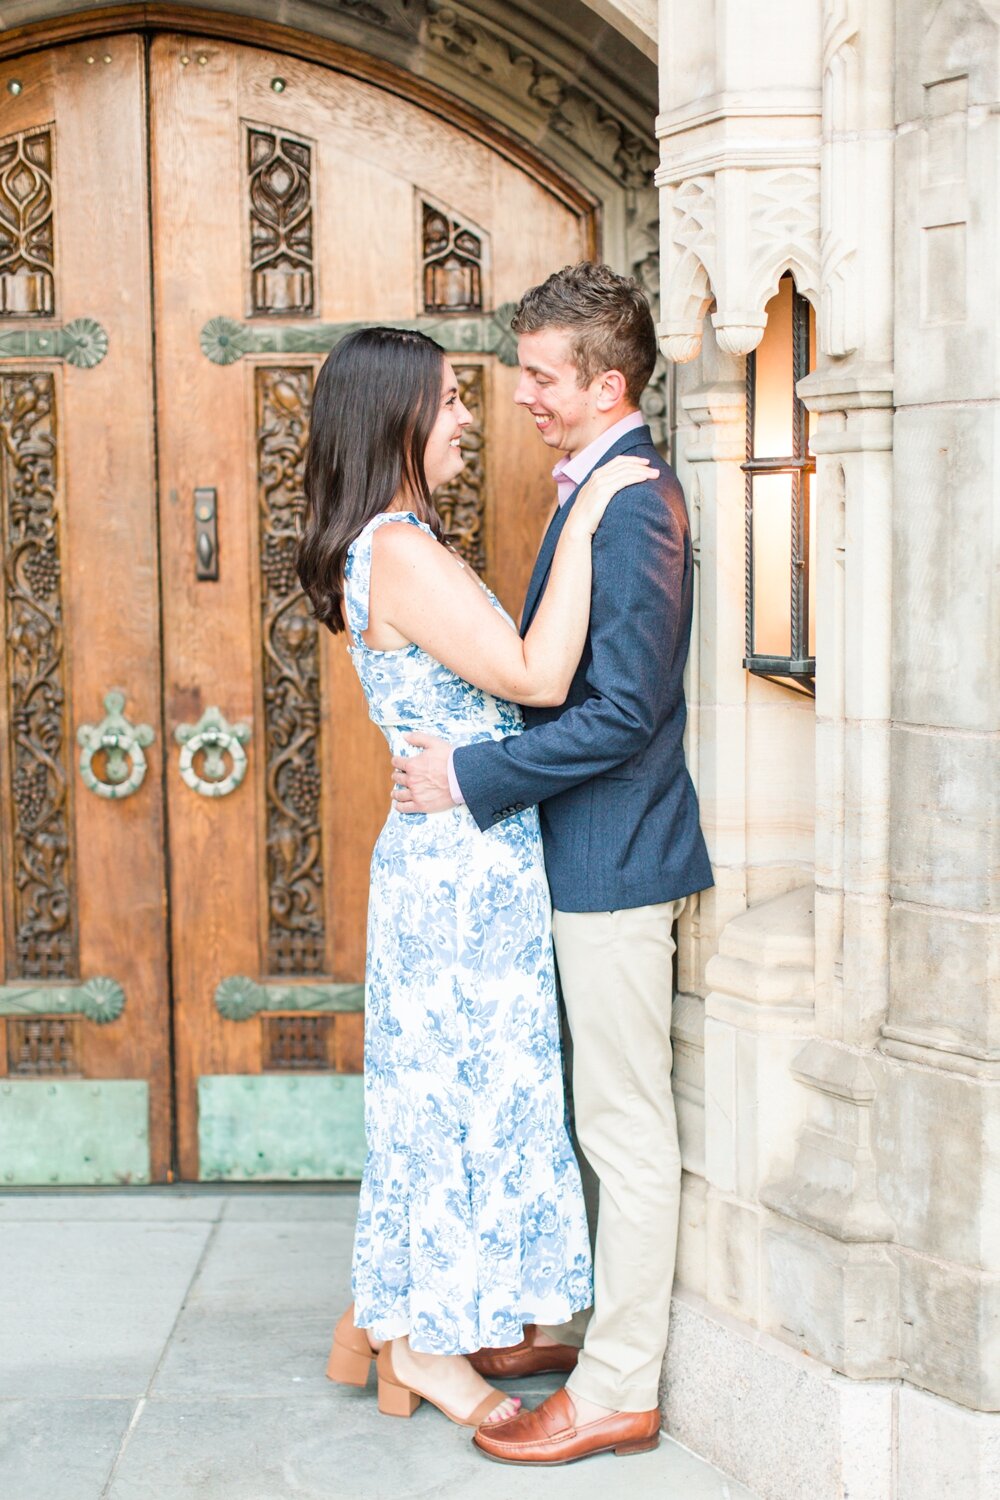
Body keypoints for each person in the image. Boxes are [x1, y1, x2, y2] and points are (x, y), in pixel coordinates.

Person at [295, 325, 656, 1431]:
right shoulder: (396, 549)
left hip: (466, 861)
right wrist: (590, 512)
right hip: (454, 873)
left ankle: (389, 1323)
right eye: (450, 399)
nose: (467, 415)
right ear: (397, 416)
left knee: (448, 1098)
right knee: (449, 1104)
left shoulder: (398, 540)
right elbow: (539, 676)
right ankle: (421, 1351)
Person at [391, 262, 714, 1465]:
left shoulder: (633, 503)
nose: (519, 393)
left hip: (617, 861)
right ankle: (577, 1323)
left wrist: (473, 782)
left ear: (605, 383)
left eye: (538, 375)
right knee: (586, 1116)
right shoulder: (598, 490)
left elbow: (625, 712)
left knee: (623, 1129)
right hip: (575, 854)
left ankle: (619, 1386)